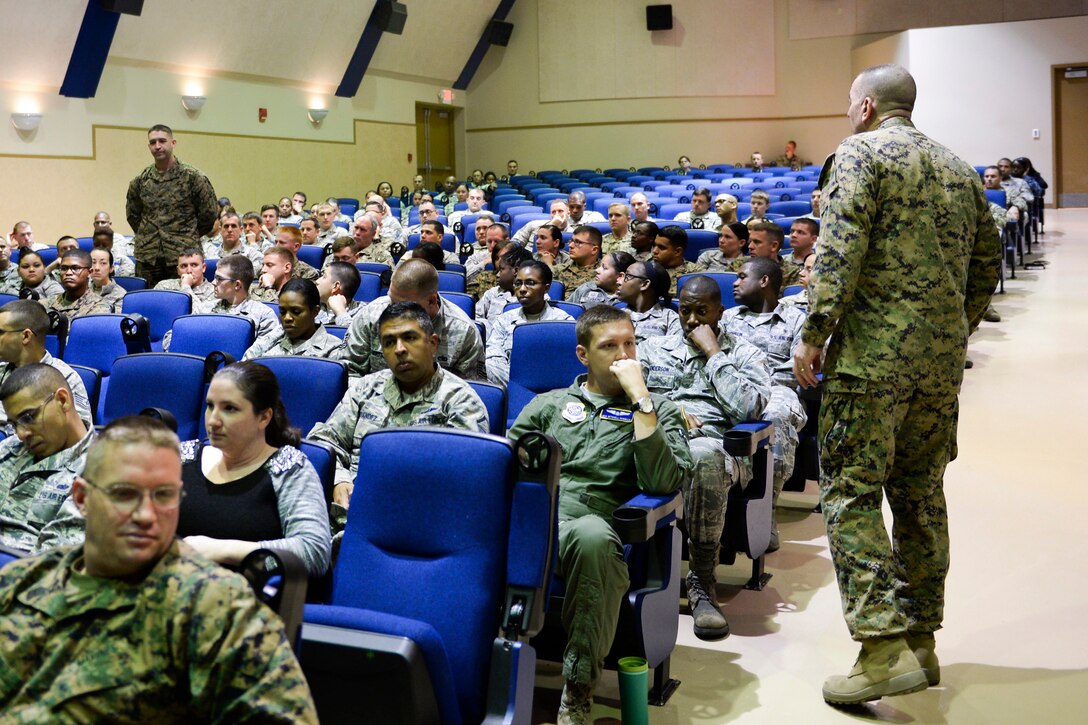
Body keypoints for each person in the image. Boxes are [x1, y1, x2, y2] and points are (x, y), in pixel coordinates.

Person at [792, 63, 1001, 705]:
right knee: (920, 495)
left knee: (852, 494)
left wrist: (814, 329)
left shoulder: (859, 154)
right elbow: (988, 260)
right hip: (936, 367)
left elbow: (841, 245)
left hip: (870, 363)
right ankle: (922, 641)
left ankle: (882, 649)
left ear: (864, 109)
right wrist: (952, 330)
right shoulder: (960, 167)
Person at [0, 415, 318, 722]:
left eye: (163, 496)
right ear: (82, 499)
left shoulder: (218, 609)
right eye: (124, 494)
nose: (146, 515)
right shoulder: (21, 582)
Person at [507, 304, 692, 725]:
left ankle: (577, 691)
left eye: (629, 344)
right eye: (609, 346)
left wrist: (641, 399)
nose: (623, 354)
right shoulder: (548, 405)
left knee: (591, 536)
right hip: (532, 515)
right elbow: (503, 461)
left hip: (593, 523)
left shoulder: (657, 408)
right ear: (582, 355)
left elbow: (664, 482)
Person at [639, 276, 771, 641]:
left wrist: (714, 355)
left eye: (702, 312)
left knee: (702, 455)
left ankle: (701, 579)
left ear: (720, 312)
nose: (692, 320)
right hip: (659, 439)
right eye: (685, 311)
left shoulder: (743, 353)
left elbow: (748, 410)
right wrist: (670, 409)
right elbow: (630, 398)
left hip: (717, 446)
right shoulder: (652, 349)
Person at [309, 302, 489, 509]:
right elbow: (324, 441)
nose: (399, 349)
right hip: (350, 510)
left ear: (432, 343)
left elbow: (465, 477)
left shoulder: (461, 401)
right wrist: (339, 480)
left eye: (409, 338)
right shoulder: (366, 388)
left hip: (421, 514)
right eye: (389, 342)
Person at [178, 362, 331, 576]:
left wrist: (222, 550)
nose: (213, 421)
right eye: (210, 405)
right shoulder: (181, 457)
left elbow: (314, 553)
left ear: (264, 417)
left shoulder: (288, 469)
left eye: (229, 408)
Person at [724, 256, 809, 551]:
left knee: (775, 416)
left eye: (741, 276)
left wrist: (758, 378)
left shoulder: (798, 319)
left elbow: (799, 367)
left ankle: (765, 510)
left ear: (764, 281)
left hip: (778, 389)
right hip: (736, 386)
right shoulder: (728, 318)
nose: (735, 282)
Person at [0, 364, 94, 552]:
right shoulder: (10, 449)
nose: (21, 433)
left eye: (28, 417)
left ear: (62, 400)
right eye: (13, 424)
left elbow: (53, 561)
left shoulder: (97, 469)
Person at [344, 259, 483, 380]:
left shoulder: (464, 331)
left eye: (403, 305)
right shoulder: (371, 315)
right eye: (391, 300)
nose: (393, 310)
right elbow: (350, 371)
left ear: (431, 301)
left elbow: (469, 390)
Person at [125, 124, 218, 287]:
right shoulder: (140, 181)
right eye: (153, 142)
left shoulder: (193, 178)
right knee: (149, 301)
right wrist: (148, 236)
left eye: (162, 141)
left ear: (173, 143)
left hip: (183, 255)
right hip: (149, 257)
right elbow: (133, 215)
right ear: (149, 146)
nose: (157, 146)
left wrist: (186, 235)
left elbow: (209, 214)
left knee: (186, 300)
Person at [0, 300, 92, 432]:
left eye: (0, 332)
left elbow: (78, 434)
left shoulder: (63, 377)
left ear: (26, 336)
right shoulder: (3, 369)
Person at [163, 255, 281, 351]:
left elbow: (265, 355)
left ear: (237, 285)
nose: (213, 282)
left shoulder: (263, 315)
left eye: (219, 279)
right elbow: (170, 339)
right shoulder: (205, 309)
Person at [485, 261, 573, 387]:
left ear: (546, 288)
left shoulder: (564, 323)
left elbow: (565, 367)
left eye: (530, 283)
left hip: (552, 392)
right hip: (510, 389)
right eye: (518, 283)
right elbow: (493, 361)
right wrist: (522, 386)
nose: (522, 289)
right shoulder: (504, 320)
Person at [242, 279, 345, 361]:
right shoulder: (272, 339)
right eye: (282, 312)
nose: (287, 318)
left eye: (296, 312)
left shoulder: (334, 349)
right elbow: (242, 370)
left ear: (315, 311)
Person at [616, 260, 681, 344]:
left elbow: (675, 351)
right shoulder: (614, 317)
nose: (618, 281)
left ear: (644, 284)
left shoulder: (671, 320)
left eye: (627, 276)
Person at [42, 249, 111, 322]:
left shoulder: (100, 307)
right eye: (64, 268)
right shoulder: (46, 303)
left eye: (75, 268)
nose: (68, 273)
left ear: (89, 272)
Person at [475, 244, 531, 331]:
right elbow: (475, 315)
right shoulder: (492, 293)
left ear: (516, 271)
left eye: (501, 270)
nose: (497, 275)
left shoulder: (534, 297)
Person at [652, 225, 704, 296]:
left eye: (661, 247)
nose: (654, 251)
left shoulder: (696, 274)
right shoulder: (646, 270)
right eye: (654, 245)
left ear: (677, 252)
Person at [153, 247, 217, 304]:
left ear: (203, 268)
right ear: (178, 270)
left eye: (194, 265)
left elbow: (200, 315)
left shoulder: (215, 291)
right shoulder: (163, 287)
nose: (189, 271)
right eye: (184, 266)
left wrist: (186, 286)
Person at [568, 250, 633, 306]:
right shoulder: (586, 288)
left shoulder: (630, 299)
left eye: (604, 268)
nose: (597, 270)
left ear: (620, 276)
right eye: (600, 266)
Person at [748, 222, 800, 286]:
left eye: (757, 242)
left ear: (774, 246)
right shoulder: (739, 264)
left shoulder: (792, 273)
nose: (750, 246)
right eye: (750, 241)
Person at [315, 261, 366, 327]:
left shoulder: (363, 314)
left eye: (324, 277)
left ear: (336, 286)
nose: (317, 281)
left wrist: (340, 312)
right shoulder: (311, 307)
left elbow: (351, 335)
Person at [554, 225, 602, 293]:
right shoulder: (558, 270)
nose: (570, 245)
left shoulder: (603, 274)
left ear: (594, 250)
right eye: (571, 241)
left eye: (578, 242)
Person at [89, 247, 126, 312]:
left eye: (103, 263)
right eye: (93, 262)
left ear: (111, 268)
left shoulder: (121, 296)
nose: (97, 268)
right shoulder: (82, 290)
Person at [784, 217, 818, 282]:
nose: (793, 235)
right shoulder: (781, 262)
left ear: (813, 239)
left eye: (800, 232)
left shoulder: (820, 263)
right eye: (792, 231)